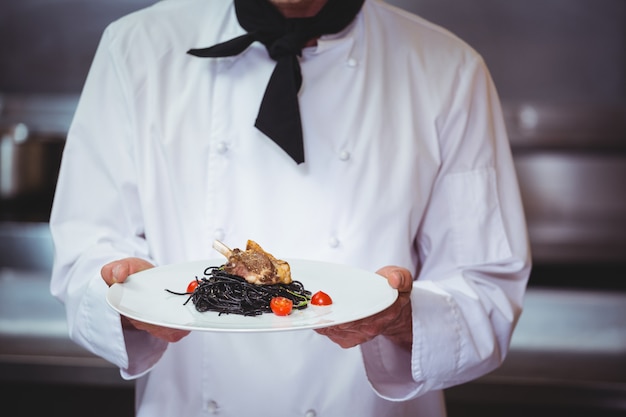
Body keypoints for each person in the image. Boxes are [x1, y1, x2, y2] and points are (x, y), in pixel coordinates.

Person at [49, 0, 532, 416]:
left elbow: (486, 290)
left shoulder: (450, 70)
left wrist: (403, 319)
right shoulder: (134, 50)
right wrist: (128, 299)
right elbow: (84, 256)